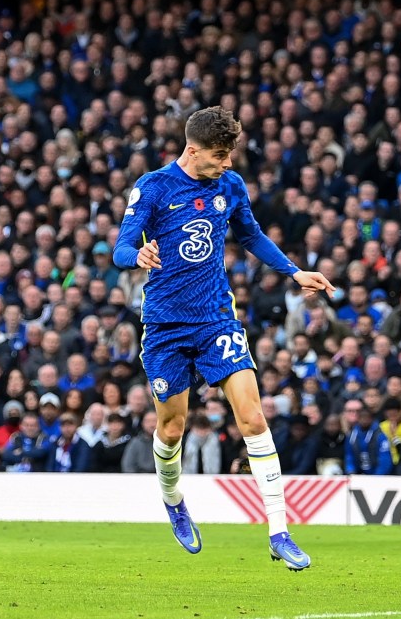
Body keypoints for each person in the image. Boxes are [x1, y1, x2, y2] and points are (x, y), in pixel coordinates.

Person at [113, 107, 335, 568]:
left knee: (253, 417)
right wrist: (139, 254)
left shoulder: (229, 186)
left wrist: (293, 272)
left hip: (217, 319)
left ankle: (279, 531)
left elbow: (251, 236)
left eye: (230, 153)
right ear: (192, 151)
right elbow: (120, 248)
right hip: (166, 326)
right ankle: (173, 500)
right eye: (219, 155)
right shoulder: (154, 187)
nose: (228, 163)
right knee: (171, 427)